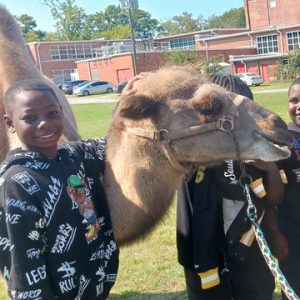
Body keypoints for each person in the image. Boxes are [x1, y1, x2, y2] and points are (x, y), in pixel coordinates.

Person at [0, 79, 119, 299]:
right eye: (30, 117)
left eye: (52, 113)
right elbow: (22, 265)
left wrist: (126, 103)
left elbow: (114, 143)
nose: (44, 123)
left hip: (95, 288)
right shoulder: (15, 184)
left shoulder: (74, 157)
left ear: (61, 113)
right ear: (10, 123)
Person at [177, 74, 284, 300]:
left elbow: (272, 199)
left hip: (251, 251)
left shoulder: (257, 147)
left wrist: (270, 169)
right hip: (203, 251)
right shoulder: (190, 150)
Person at [276, 77, 300, 299]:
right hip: (292, 232)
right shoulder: (283, 139)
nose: (299, 105)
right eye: (294, 100)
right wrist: (277, 234)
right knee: (293, 287)